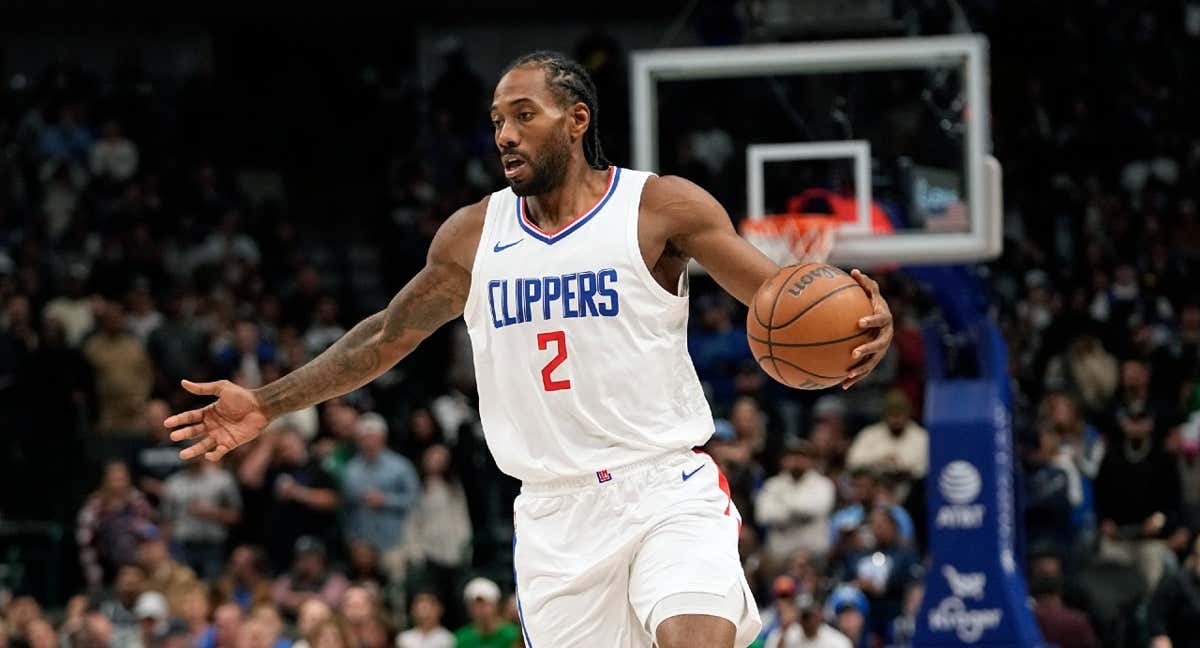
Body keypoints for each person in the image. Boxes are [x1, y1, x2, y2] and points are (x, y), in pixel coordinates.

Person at [165, 50, 893, 648]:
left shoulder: (660, 208)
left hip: (665, 487)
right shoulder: (473, 237)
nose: (504, 135)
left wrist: (861, 323)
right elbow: (386, 336)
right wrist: (266, 403)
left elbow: (780, 300)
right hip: (553, 516)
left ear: (576, 120)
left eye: (523, 116)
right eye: (496, 122)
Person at [454, 578, 520, 648]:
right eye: (475, 605)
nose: (480, 610)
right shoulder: (461, 638)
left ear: (497, 605)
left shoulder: (513, 634)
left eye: (485, 604)